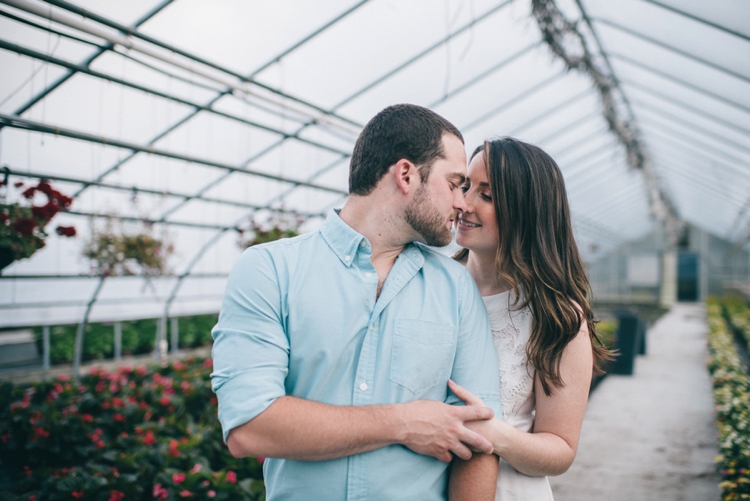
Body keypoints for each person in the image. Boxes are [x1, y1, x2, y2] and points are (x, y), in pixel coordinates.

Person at [210, 104, 503, 501]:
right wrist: (403, 422)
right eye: (454, 184)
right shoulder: (269, 270)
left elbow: (480, 436)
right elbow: (250, 425)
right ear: (405, 175)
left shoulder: (457, 289)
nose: (462, 203)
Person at [449, 137, 613, 500]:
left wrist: (495, 434)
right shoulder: (431, 284)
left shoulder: (557, 316)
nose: (463, 203)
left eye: (487, 196)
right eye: (464, 186)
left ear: (526, 211)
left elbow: (560, 449)